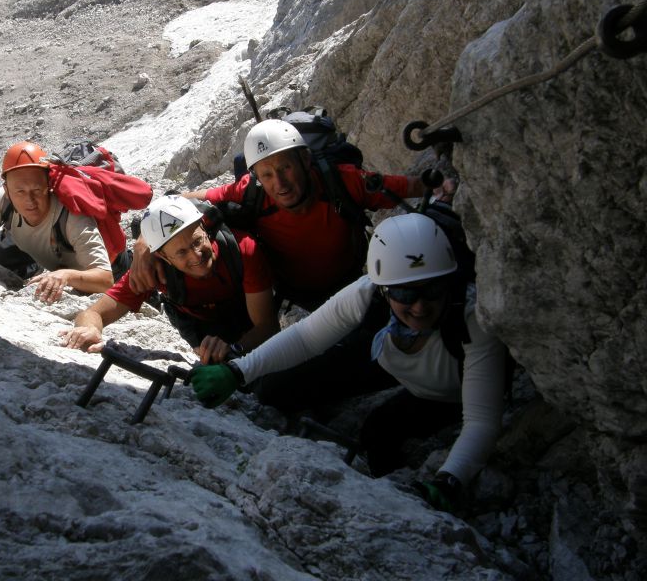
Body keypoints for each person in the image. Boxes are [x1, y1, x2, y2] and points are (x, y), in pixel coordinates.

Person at [190, 214, 507, 512]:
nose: (420, 306)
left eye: (433, 290)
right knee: (275, 390)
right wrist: (238, 370)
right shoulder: (368, 295)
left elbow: (480, 419)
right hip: (387, 357)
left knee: (378, 432)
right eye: (405, 293)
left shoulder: (472, 321)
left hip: (446, 394)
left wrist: (449, 480)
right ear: (383, 289)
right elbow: (306, 337)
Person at [130, 119, 428, 311]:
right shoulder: (251, 191)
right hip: (294, 299)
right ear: (257, 175)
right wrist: (144, 241)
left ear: (305, 160)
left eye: (285, 168)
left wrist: (446, 181)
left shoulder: (341, 181)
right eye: (268, 174)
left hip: (352, 287)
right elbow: (177, 203)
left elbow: (406, 187)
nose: (279, 183)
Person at [61, 196, 279, 364]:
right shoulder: (155, 271)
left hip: (247, 321)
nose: (196, 256)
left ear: (204, 227)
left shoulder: (242, 250)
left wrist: (234, 350)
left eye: (197, 242)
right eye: (182, 252)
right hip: (201, 330)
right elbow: (93, 313)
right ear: (163, 257)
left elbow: (267, 326)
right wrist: (90, 329)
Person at [0, 141, 114, 304]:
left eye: (37, 190)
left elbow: (105, 280)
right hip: (44, 257)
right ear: (7, 190)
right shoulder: (1, 202)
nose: (30, 201)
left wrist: (66, 275)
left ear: (49, 186)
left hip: (111, 268)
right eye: (20, 192)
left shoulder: (72, 217)